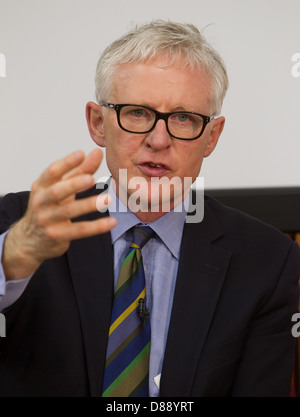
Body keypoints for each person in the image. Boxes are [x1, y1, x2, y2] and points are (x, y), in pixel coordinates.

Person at [0, 20, 299, 397]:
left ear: (212, 136)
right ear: (97, 122)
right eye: (138, 113)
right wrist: (11, 259)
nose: (159, 140)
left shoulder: (268, 260)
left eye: (183, 118)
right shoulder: (20, 225)